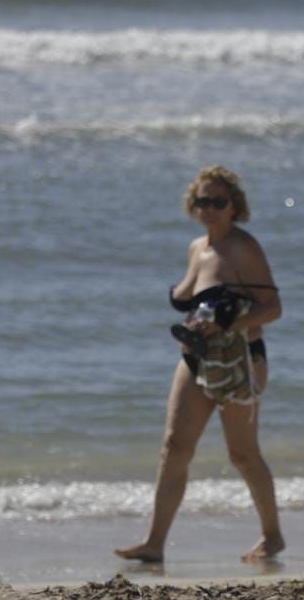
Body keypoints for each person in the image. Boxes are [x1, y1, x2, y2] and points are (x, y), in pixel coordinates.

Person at [115, 165, 286, 565]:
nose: (209, 208)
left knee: (242, 454)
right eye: (202, 201)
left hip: (240, 360)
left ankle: (273, 536)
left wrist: (230, 323)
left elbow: (274, 308)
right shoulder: (197, 248)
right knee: (174, 447)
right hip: (196, 358)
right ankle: (154, 543)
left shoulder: (244, 248)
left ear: (234, 206)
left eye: (218, 202)